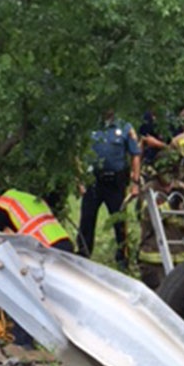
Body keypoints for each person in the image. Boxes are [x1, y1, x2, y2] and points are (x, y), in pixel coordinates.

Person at [0, 188, 74, 346]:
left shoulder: (1, 204)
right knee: (59, 299)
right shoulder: (28, 197)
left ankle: (22, 343)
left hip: (44, 249)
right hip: (64, 243)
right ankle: (68, 341)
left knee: (24, 293)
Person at [76, 110, 141, 264]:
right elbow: (78, 153)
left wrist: (135, 182)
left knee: (119, 221)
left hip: (115, 183)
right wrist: (79, 180)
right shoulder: (90, 126)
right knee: (87, 219)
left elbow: (135, 155)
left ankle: (122, 257)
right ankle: (83, 254)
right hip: (93, 181)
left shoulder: (125, 127)